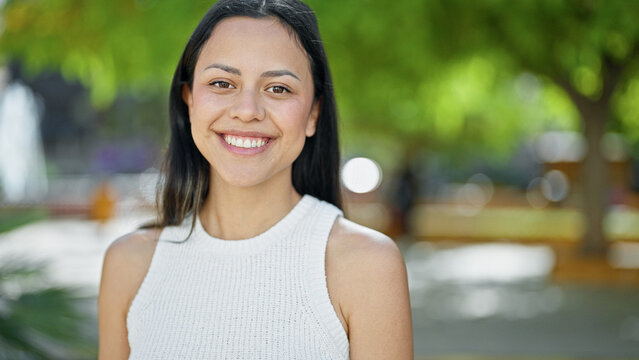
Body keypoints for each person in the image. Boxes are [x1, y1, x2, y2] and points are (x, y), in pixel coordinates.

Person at [98, 0, 413, 358]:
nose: (247, 110)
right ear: (188, 101)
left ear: (313, 114)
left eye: (278, 88)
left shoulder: (366, 266)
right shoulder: (129, 264)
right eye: (222, 83)